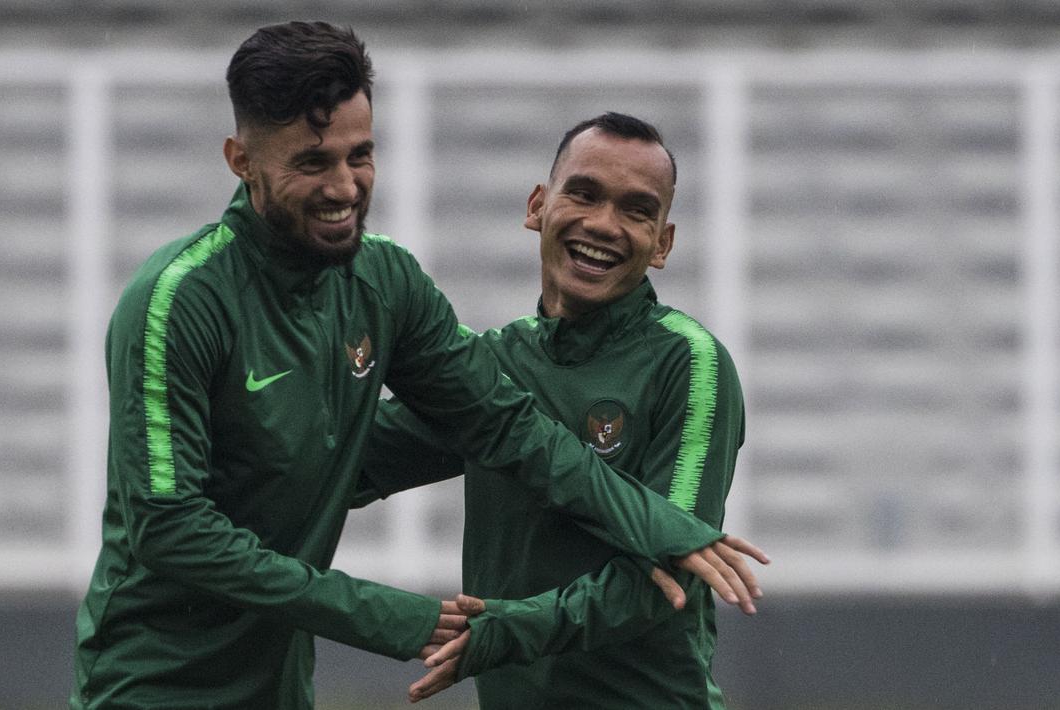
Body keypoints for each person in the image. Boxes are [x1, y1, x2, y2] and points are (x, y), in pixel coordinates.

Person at [69, 22, 766, 710]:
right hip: (156, 681)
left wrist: (660, 527)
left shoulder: (684, 360)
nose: (344, 187)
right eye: (313, 162)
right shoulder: (178, 299)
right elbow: (187, 518)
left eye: (360, 155)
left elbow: (505, 427)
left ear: (663, 241)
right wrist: (395, 617)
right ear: (241, 160)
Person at [365, 112, 749, 707]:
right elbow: (348, 465)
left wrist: (510, 630)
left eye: (636, 210)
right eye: (585, 194)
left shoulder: (689, 362)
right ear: (537, 206)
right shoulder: (490, 365)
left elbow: (667, 577)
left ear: (662, 244)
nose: (604, 225)